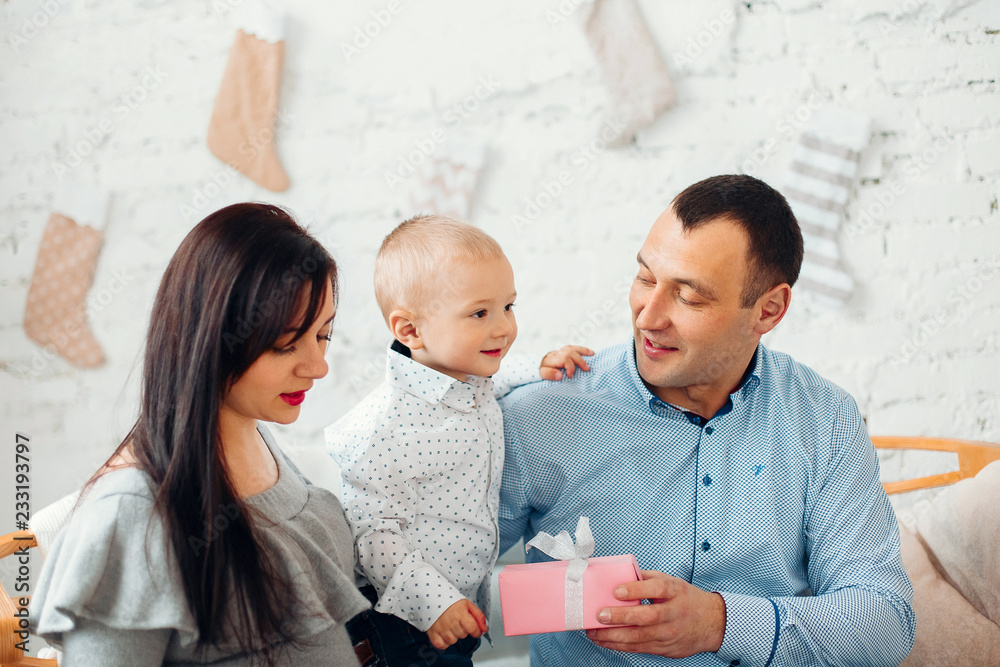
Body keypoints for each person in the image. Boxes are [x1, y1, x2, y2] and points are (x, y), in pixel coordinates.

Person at [498, 175, 916, 667]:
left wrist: (719, 624)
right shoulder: (539, 415)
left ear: (768, 310)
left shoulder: (825, 421)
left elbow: (884, 624)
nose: (647, 316)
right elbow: (442, 578)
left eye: (689, 297)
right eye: (646, 278)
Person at [29, 203, 370, 666]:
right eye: (285, 344)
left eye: (323, 335)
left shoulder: (264, 445)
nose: (318, 367)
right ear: (211, 338)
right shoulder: (131, 516)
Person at [325, 215, 592, 667]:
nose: (504, 327)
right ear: (410, 331)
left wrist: (539, 365)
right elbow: (375, 537)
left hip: (457, 607)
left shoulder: (463, 374)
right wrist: (435, 605)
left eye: (509, 306)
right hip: (405, 621)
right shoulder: (385, 430)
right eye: (480, 313)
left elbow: (496, 377)